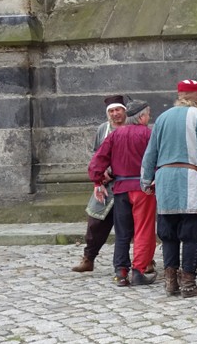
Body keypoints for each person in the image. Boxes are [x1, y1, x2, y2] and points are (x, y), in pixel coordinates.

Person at [141, 79, 197, 297]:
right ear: (196, 96)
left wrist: (146, 180)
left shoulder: (162, 118)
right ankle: (188, 283)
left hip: (165, 180)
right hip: (189, 178)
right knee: (191, 232)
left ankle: (171, 282)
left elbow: (150, 153)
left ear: (179, 95)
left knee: (168, 233)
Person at [88, 99, 156, 287]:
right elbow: (158, 159)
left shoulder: (115, 135)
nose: (149, 118)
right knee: (143, 230)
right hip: (143, 189)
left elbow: (97, 160)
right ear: (141, 117)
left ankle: (121, 271)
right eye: (148, 115)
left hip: (120, 189)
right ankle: (138, 270)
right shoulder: (149, 134)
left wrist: (97, 180)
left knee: (122, 232)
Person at [72, 95, 127, 273]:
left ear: (124, 111)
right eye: (111, 111)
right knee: (95, 222)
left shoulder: (133, 127)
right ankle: (89, 258)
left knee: (132, 223)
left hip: (127, 183)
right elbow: (97, 154)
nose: (115, 114)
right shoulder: (103, 129)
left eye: (118, 110)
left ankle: (146, 261)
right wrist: (101, 173)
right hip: (105, 185)